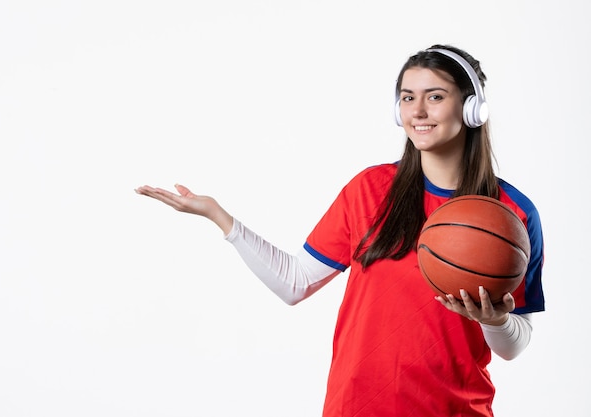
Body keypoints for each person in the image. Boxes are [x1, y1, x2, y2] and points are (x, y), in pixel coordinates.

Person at [135, 44, 545, 417]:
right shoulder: (369, 190)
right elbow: (294, 283)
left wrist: (494, 321)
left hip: (456, 411)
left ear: (472, 108)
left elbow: (514, 345)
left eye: (435, 96)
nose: (417, 111)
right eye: (407, 97)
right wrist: (218, 215)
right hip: (356, 407)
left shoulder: (512, 215)